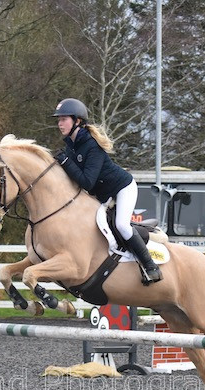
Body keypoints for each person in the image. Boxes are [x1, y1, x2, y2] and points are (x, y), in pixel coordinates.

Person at [52, 98, 162, 284]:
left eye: (64, 119)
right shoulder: (71, 146)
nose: (60, 123)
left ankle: (150, 266)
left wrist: (65, 162)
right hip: (104, 195)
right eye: (59, 120)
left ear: (77, 121)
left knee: (121, 225)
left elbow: (86, 182)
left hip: (122, 188)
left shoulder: (91, 146)